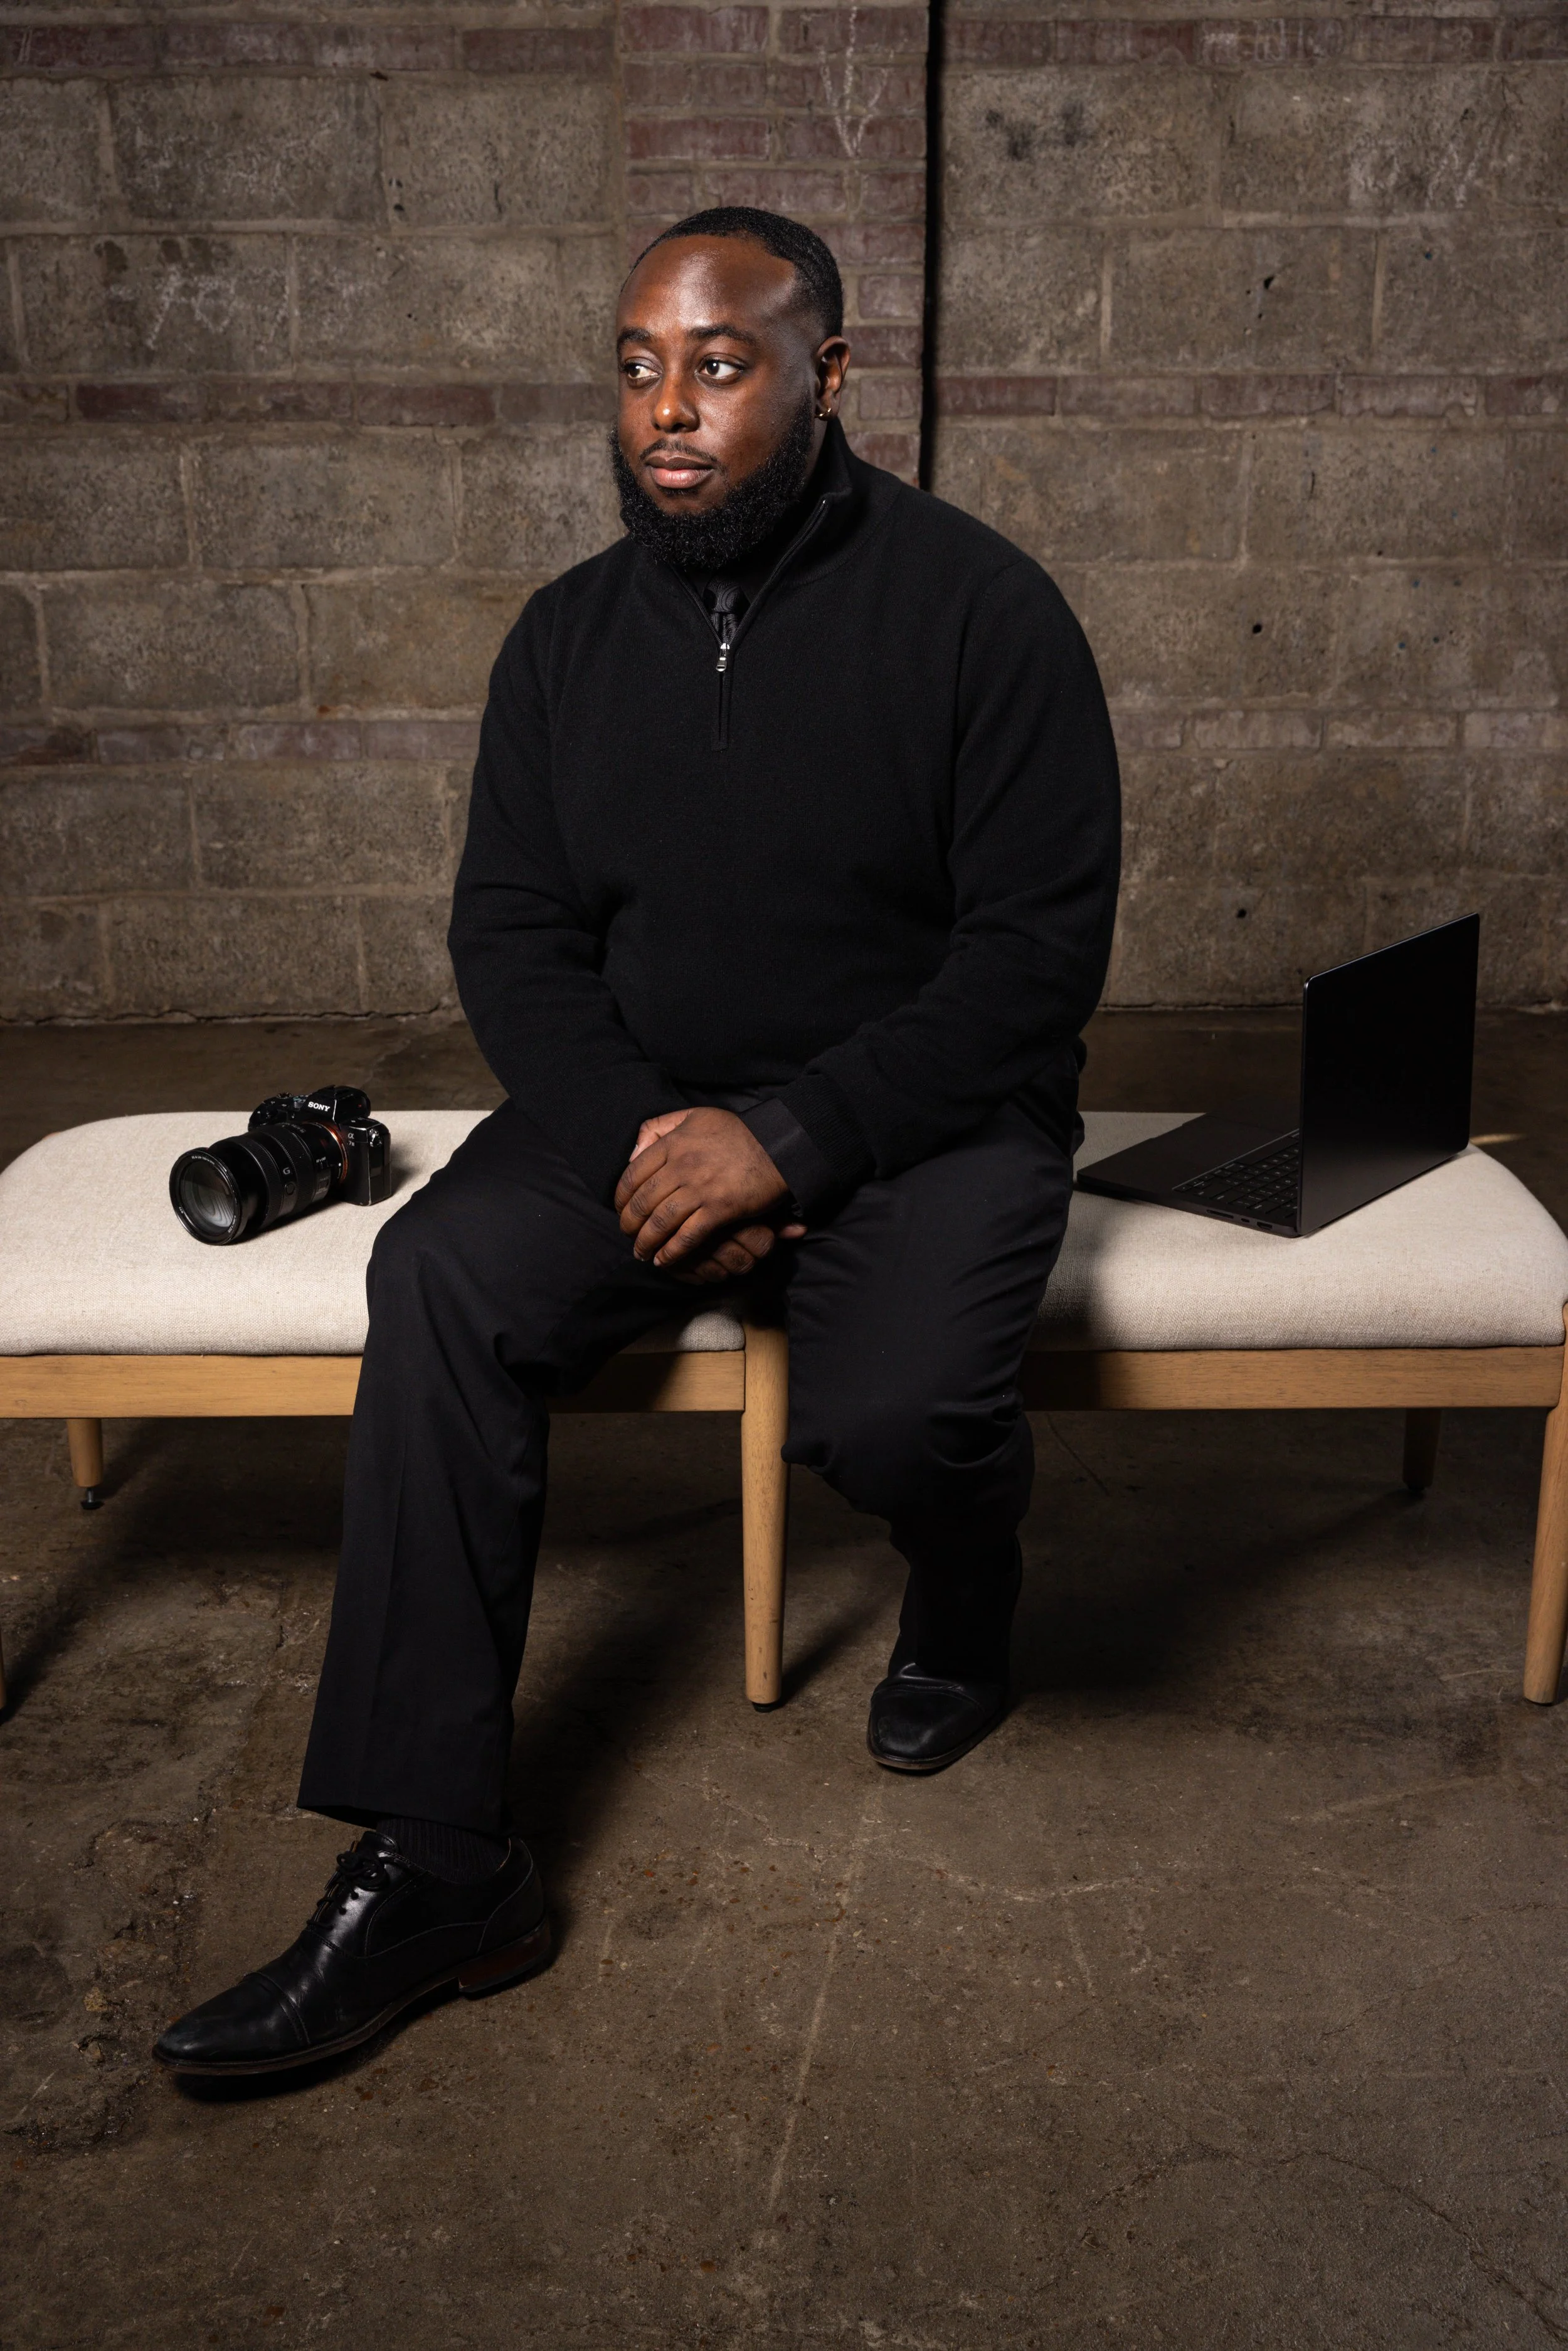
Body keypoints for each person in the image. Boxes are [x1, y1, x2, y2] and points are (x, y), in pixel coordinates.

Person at [154, 207, 1121, 2078]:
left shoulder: (982, 611)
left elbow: (1035, 955)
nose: (666, 410)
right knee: (434, 1269)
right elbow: (508, 931)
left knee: (897, 1410)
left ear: (829, 377)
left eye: (719, 363)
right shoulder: (565, 640)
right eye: (636, 366)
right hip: (636, 1104)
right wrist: (651, 1138)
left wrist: (794, 1138)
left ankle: (970, 1582)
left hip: (913, 1108)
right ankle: (439, 1859)